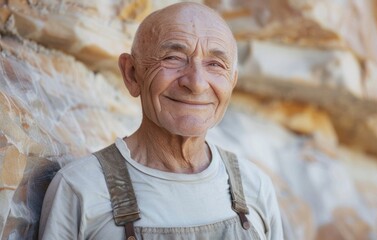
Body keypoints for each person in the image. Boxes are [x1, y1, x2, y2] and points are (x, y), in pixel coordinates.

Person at [39, 2, 284, 240]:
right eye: (173, 58)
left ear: (232, 82)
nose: (196, 83)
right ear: (132, 74)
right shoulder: (80, 188)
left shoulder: (256, 186)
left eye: (215, 64)